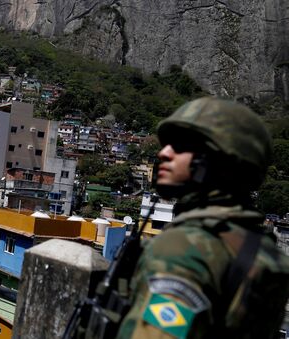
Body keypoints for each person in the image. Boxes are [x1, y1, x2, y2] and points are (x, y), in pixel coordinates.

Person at [117, 97, 289, 338]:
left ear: (218, 159)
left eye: (180, 145)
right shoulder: (263, 250)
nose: (164, 153)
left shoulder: (186, 247)